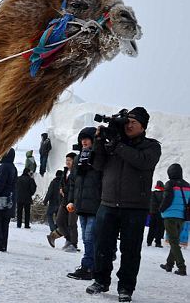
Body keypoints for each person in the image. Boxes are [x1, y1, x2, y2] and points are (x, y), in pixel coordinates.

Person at [85, 107, 161, 302]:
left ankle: (126, 287)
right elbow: (98, 165)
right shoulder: (114, 143)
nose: (128, 125)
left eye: (133, 123)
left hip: (135, 207)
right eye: (127, 122)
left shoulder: (151, 146)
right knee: (102, 245)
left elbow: (142, 161)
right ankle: (100, 280)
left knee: (130, 250)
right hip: (108, 203)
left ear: (143, 126)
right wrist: (100, 143)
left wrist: (117, 144)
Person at [67, 127, 102, 280]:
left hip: (95, 205)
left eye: (87, 138)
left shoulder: (99, 157)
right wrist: (71, 200)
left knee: (89, 237)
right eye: (82, 139)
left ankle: (88, 267)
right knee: (87, 238)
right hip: (81, 205)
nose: (84, 141)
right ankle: (91, 267)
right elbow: (73, 183)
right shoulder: (78, 159)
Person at [159, 163, 189, 276]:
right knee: (175, 240)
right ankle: (169, 265)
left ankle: (182, 267)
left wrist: (161, 209)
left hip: (170, 216)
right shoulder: (188, 185)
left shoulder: (170, 184)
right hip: (182, 217)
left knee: (173, 241)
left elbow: (167, 199)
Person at [47, 152, 79, 252]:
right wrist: (61, 188)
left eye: (69, 160)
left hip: (73, 201)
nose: (67, 162)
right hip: (64, 201)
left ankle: (73, 243)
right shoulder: (65, 171)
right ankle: (69, 239)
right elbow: (62, 183)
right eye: (66, 160)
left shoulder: (77, 172)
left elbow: (74, 187)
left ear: (75, 161)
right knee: (60, 220)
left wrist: (65, 190)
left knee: (71, 223)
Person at [146, 180, 165, 247]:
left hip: (153, 213)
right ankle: (158, 242)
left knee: (152, 227)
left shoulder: (152, 193)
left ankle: (149, 241)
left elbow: (150, 203)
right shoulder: (164, 194)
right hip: (161, 213)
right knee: (160, 228)